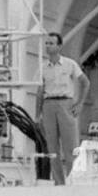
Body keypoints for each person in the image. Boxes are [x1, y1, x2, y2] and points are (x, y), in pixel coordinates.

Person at [38, 32, 90, 185]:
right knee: (52, 148)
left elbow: (86, 83)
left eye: (51, 43)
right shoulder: (43, 67)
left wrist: (80, 103)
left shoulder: (70, 64)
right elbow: (40, 92)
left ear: (59, 46)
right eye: (46, 43)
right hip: (48, 105)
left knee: (70, 146)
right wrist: (37, 114)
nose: (48, 46)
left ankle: (73, 181)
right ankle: (59, 182)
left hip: (66, 103)